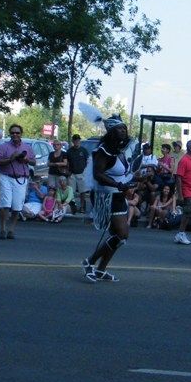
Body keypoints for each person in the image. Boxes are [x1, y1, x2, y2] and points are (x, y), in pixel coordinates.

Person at [78, 103, 139, 283]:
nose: (124, 131)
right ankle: (89, 262)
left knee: (118, 237)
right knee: (122, 234)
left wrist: (134, 180)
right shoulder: (103, 150)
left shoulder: (120, 150)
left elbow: (123, 174)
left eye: (124, 128)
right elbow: (98, 174)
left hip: (118, 195)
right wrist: (118, 184)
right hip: (106, 196)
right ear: (111, 131)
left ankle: (100, 269)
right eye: (120, 129)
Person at [0, 124, 36, 239]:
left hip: (21, 178)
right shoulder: (3, 147)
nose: (15, 135)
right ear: (10, 134)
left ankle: (11, 229)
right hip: (6, 177)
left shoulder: (27, 147)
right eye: (12, 133)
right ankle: (3, 228)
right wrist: (11, 159)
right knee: (5, 203)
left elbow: (34, 162)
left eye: (17, 133)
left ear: (21, 134)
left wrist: (26, 159)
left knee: (17, 205)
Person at [66, 134, 91, 214]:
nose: (76, 141)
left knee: (82, 192)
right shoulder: (69, 151)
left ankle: (82, 207)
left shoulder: (83, 150)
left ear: (79, 141)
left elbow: (88, 161)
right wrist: (68, 171)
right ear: (72, 141)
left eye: (78, 140)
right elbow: (67, 162)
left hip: (81, 174)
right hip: (72, 174)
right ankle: (73, 207)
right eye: (75, 140)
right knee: (71, 192)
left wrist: (85, 172)